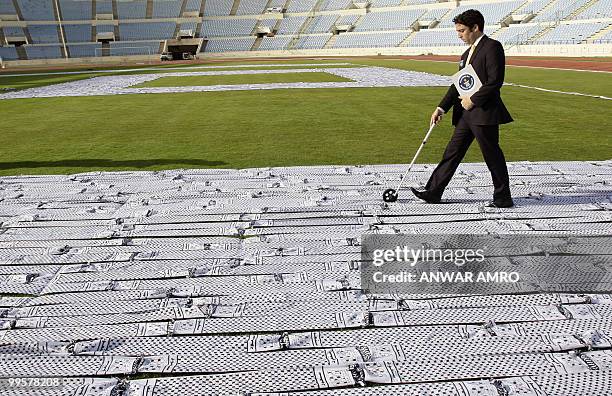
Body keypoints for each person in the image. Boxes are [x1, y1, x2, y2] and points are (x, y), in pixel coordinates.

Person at [411, 9, 514, 208]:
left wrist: (473, 100)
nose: (459, 35)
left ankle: (503, 197)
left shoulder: (492, 47)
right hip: (466, 115)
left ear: (475, 28)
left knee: (492, 155)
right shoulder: (467, 53)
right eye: (458, 30)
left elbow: (495, 82)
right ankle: (433, 192)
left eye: (462, 30)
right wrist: (441, 108)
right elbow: (459, 83)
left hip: (484, 113)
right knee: (452, 152)